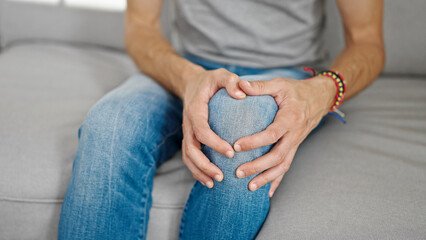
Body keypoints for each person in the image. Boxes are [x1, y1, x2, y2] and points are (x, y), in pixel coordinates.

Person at [58, 0, 385, 239]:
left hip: (286, 74)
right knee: (109, 124)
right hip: (187, 68)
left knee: (242, 125)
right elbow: (140, 29)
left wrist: (323, 92)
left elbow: (367, 42)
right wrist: (188, 79)